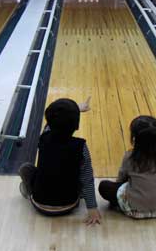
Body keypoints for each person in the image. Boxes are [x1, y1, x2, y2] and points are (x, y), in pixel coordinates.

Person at [18, 97, 101, 226]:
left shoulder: (43, 138)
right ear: (76, 125)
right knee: (80, 174)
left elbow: (49, 125)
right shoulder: (81, 146)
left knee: (25, 168)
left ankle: (28, 192)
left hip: (39, 203)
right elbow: (87, 179)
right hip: (69, 204)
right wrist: (92, 208)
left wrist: (75, 110)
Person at [98, 115, 156, 219]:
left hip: (136, 209)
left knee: (104, 186)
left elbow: (120, 179)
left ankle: (125, 203)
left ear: (135, 139)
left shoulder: (130, 157)